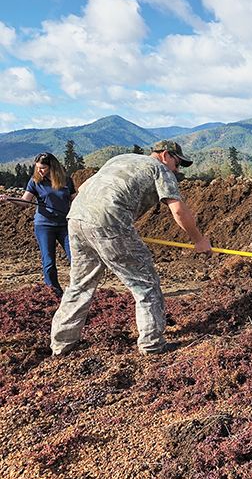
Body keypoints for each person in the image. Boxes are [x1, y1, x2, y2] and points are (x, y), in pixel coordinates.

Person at [49, 141, 212, 356]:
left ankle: (61, 345)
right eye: (178, 163)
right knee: (146, 284)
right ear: (165, 155)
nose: (177, 169)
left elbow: (84, 188)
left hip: (77, 218)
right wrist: (199, 240)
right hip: (110, 222)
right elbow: (178, 210)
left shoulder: (120, 159)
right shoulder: (160, 169)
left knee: (79, 285)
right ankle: (152, 345)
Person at [0, 152, 77, 297]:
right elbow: (24, 202)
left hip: (64, 225)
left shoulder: (66, 181)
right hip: (44, 225)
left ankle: (77, 289)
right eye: (38, 168)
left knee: (74, 258)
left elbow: (76, 200)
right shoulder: (35, 181)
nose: (39, 171)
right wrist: (8, 198)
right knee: (48, 261)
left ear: (52, 167)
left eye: (43, 168)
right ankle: (54, 292)